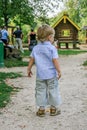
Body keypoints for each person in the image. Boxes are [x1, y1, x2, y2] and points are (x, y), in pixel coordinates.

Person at [27, 24, 62, 117]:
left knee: (40, 91)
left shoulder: (36, 48)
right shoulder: (52, 48)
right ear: (49, 37)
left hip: (40, 75)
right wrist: (59, 71)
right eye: (53, 37)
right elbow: (55, 60)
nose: (53, 38)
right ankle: (53, 109)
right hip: (51, 75)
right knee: (53, 90)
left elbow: (31, 59)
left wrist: (28, 69)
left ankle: (41, 109)